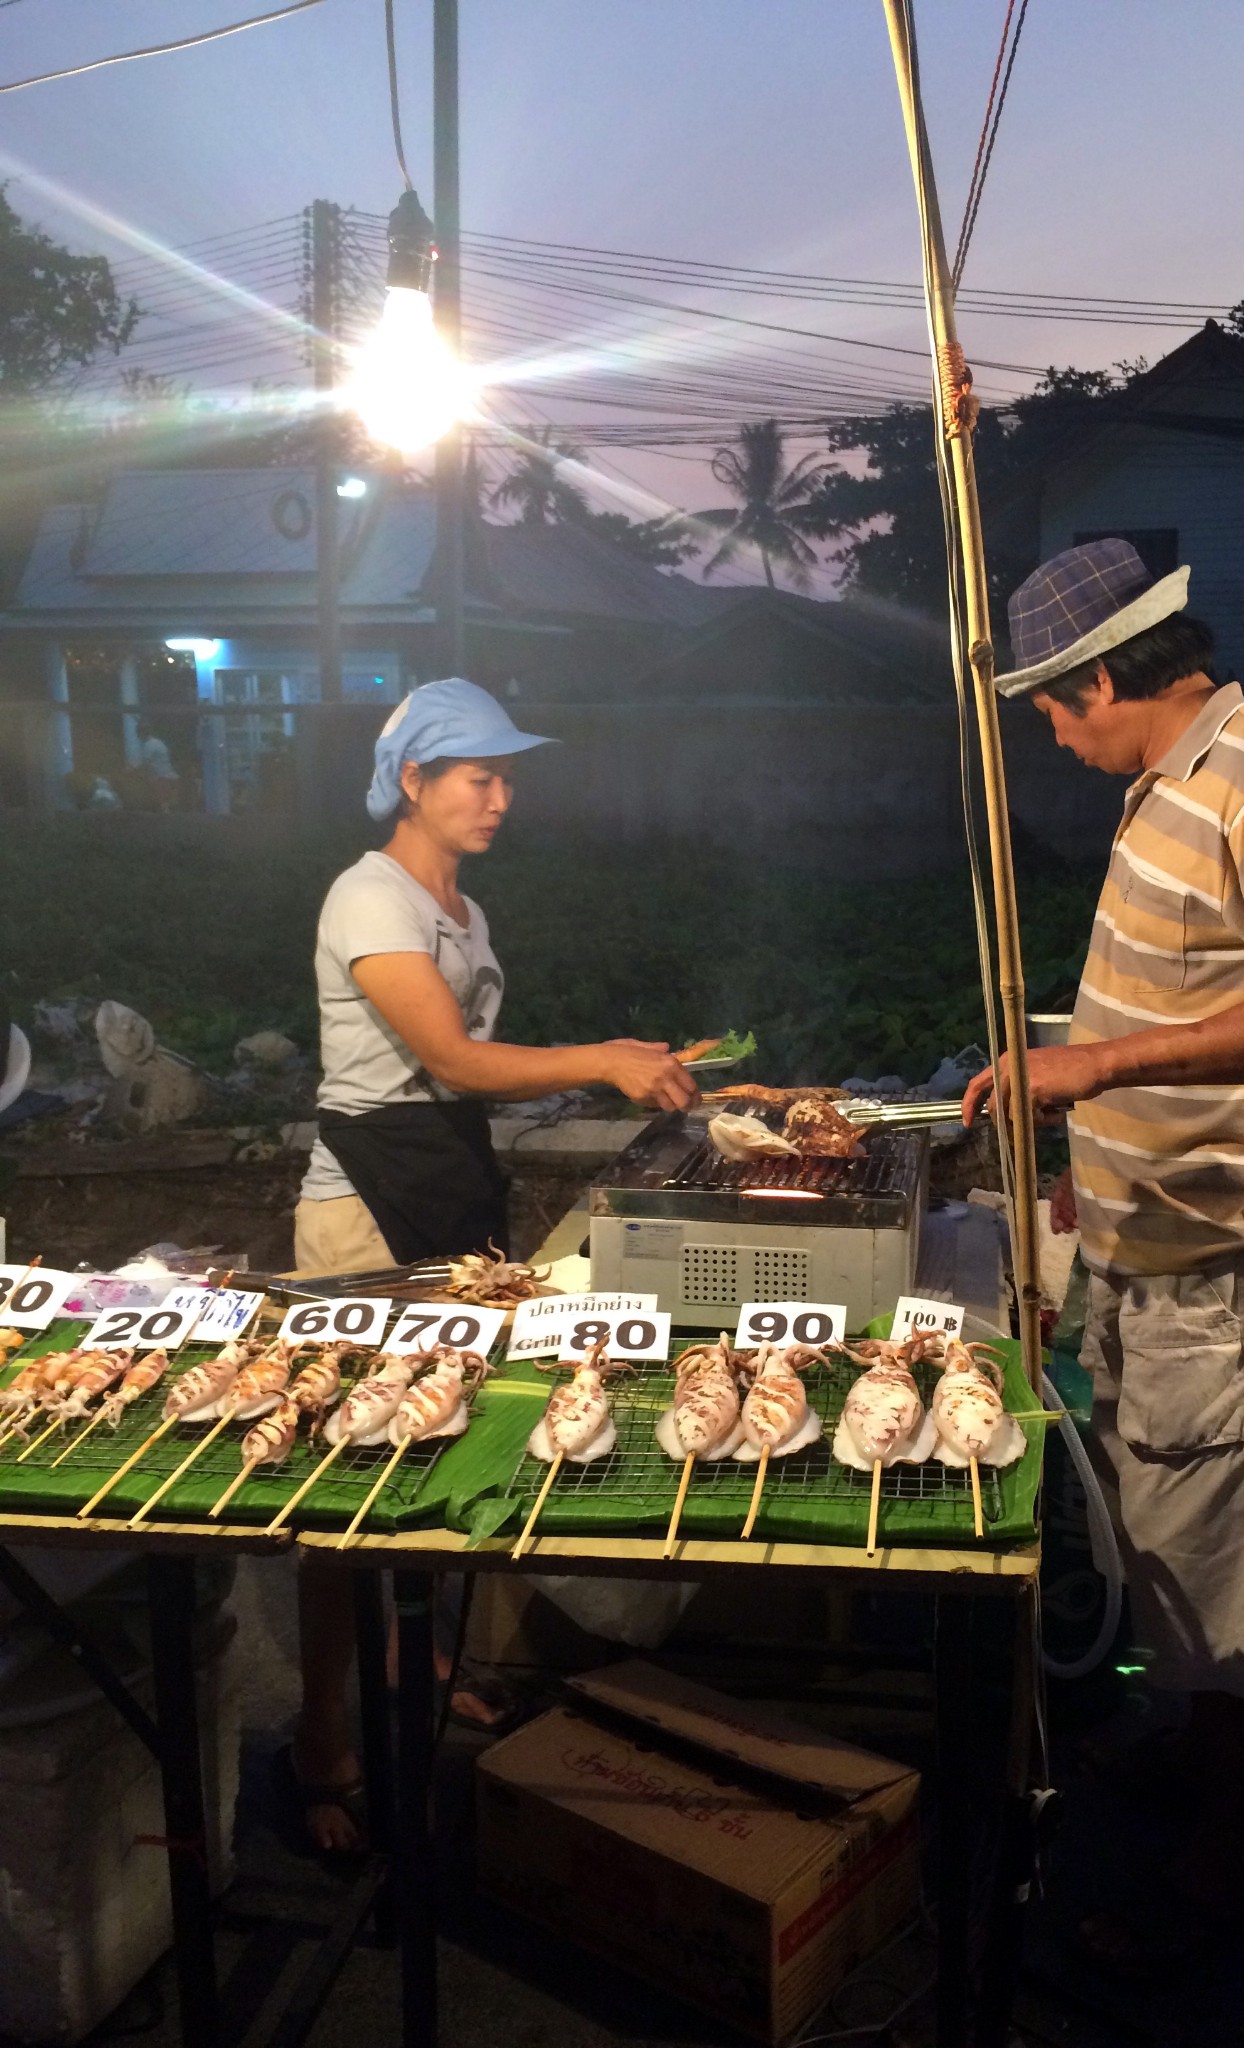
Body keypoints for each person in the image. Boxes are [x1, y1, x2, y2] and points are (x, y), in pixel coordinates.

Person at [962, 540, 1244, 1967]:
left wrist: (1105, 1071)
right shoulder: (1168, 789)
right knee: (1158, 1531)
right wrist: (1094, 1143)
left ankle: (1224, 1858)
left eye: (1049, 704)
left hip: (1229, 1258)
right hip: (1152, 1242)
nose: (1046, 727)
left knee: (1222, 1551)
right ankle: (1186, 1750)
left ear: (1100, 676)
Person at [288, 677, 699, 1851]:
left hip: (449, 1184)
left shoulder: (460, 907)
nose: (502, 797)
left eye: (510, 776)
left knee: (438, 1439)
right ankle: (321, 1735)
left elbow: (478, 1069)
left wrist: (610, 1066)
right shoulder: (367, 893)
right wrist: (605, 1058)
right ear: (413, 781)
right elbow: (452, 1057)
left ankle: (417, 1655)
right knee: (340, 1483)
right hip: (363, 1211)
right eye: (481, 776)